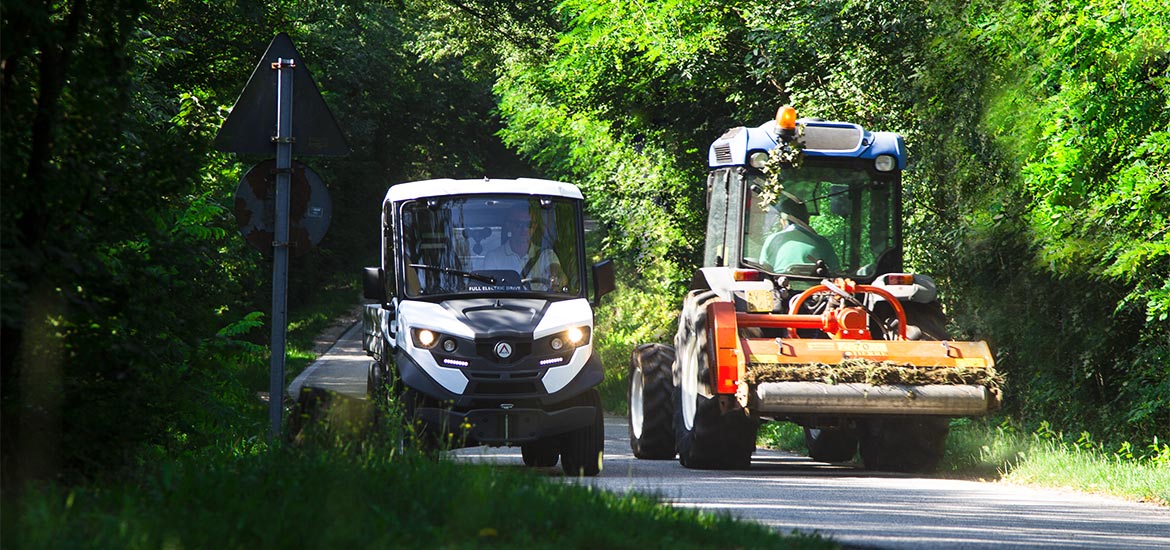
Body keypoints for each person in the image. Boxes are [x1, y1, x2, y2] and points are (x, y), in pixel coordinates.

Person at [479, 204, 566, 290]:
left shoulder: (547, 255)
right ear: (509, 226)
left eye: (529, 224)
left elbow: (558, 272)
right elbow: (488, 289)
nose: (524, 229)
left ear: (534, 227)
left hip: (540, 303)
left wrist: (557, 276)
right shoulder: (493, 257)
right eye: (518, 224)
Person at [762, 198, 840, 274]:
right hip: (816, 286)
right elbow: (836, 272)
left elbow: (764, 268)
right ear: (808, 218)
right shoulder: (822, 242)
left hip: (779, 285)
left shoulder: (772, 239)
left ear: (783, 221)